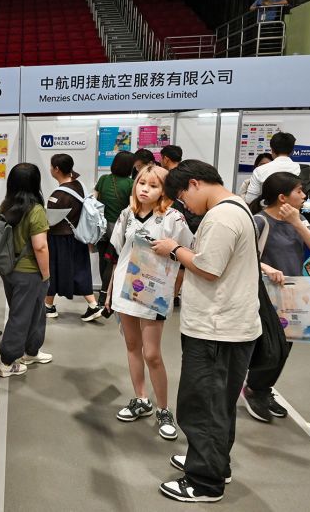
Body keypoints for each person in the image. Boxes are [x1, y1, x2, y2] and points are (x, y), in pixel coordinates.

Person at [151, 160, 261, 503]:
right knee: (218, 404)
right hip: (225, 326)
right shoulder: (235, 207)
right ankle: (213, 462)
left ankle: (204, 482)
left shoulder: (222, 217)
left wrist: (174, 250)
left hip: (217, 329)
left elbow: (209, 268)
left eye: (183, 196)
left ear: (195, 184)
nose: (185, 204)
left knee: (203, 405)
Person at [106, 165, 193, 441]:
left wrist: (176, 286)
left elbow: (186, 253)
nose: (144, 189)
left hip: (154, 293)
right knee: (132, 347)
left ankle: (164, 409)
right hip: (125, 289)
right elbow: (121, 252)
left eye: (153, 185)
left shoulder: (173, 218)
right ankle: (141, 399)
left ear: (164, 190)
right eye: (141, 183)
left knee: (152, 354)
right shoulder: (125, 215)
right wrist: (109, 291)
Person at [242, 172, 310, 420]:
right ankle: (253, 389)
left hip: (293, 292)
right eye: (299, 191)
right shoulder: (259, 221)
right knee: (269, 346)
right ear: (282, 197)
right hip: (266, 294)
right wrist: (266, 268)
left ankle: (264, 389)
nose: (304, 195)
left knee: (285, 347)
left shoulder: (300, 220)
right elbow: (244, 255)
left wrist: (297, 223)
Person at [0, 163, 52, 377]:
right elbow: (40, 246)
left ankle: (31, 350)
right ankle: (7, 362)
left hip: (9, 269)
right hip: (29, 272)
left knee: (34, 312)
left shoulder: (5, 206)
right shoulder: (36, 211)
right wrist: (46, 274)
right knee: (22, 315)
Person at [44, 154, 103, 322]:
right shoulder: (79, 185)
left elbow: (50, 221)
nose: (50, 169)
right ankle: (50, 305)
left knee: (53, 270)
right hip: (78, 236)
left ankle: (50, 306)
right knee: (80, 269)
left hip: (60, 239)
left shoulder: (57, 196)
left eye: (51, 166)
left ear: (56, 169)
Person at [159, 145, 201, 307]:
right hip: (192, 223)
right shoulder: (188, 173)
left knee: (175, 258)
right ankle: (174, 296)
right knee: (182, 262)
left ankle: (170, 296)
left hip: (179, 222)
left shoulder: (170, 178)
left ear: (166, 159)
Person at [93, 151, 135, 307]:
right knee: (113, 261)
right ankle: (105, 295)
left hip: (101, 226)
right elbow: (133, 207)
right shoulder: (131, 184)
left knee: (103, 259)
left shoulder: (103, 179)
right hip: (118, 227)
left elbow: (93, 201)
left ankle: (102, 294)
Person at [244, 131, 300, 204]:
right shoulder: (304, 170)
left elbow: (250, 199)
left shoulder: (259, 170)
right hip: (294, 212)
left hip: (267, 212)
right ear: (292, 151)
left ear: (272, 150)